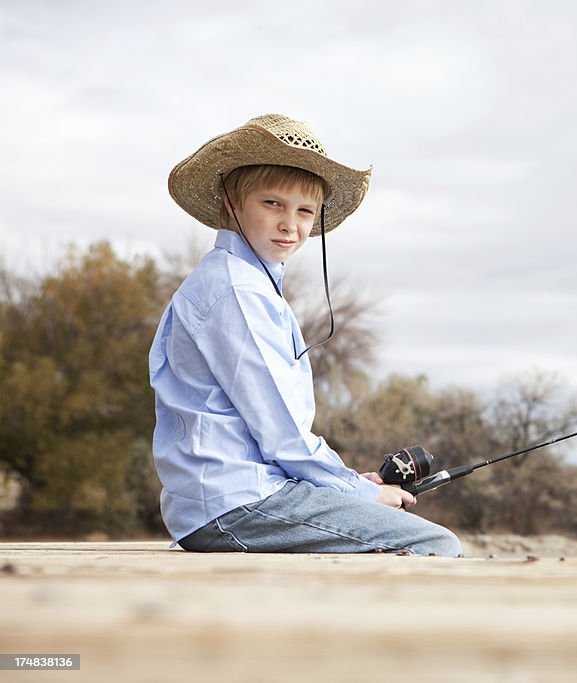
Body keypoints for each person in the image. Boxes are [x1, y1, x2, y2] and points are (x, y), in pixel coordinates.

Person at [150, 114, 461, 556]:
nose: (290, 225)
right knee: (435, 543)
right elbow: (280, 434)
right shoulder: (237, 291)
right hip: (238, 503)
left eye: (304, 211)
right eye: (272, 203)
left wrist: (350, 484)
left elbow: (270, 435)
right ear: (230, 201)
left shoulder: (242, 283)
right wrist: (359, 493)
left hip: (234, 498)